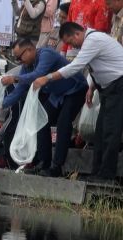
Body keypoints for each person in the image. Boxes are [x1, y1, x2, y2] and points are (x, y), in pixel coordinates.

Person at [33, 22, 123, 183]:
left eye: (71, 41)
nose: (72, 46)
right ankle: (98, 172)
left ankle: (106, 175)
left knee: (110, 131)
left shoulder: (93, 40)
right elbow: (102, 66)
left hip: (118, 86)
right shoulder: (91, 41)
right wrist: (92, 86)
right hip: (108, 87)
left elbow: (75, 67)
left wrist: (47, 78)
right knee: (101, 132)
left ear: (77, 34)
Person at [1, 38, 87, 177]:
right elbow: (18, 91)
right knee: (40, 121)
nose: (19, 62)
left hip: (75, 89)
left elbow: (38, 74)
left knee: (63, 123)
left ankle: (57, 166)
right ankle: (43, 162)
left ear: (29, 49)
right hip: (57, 95)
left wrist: (15, 78)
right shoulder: (26, 67)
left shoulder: (46, 54)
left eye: (19, 57)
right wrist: (0, 105)